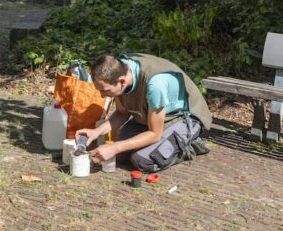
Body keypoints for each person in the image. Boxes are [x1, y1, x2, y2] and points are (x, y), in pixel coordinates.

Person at [76, 53, 212, 173]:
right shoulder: (119, 71)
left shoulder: (155, 85)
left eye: (105, 90)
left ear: (122, 82)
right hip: (149, 116)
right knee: (119, 156)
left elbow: (154, 134)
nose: (102, 96)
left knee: (142, 160)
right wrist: (96, 132)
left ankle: (188, 144)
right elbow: (121, 114)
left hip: (182, 117)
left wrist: (115, 147)